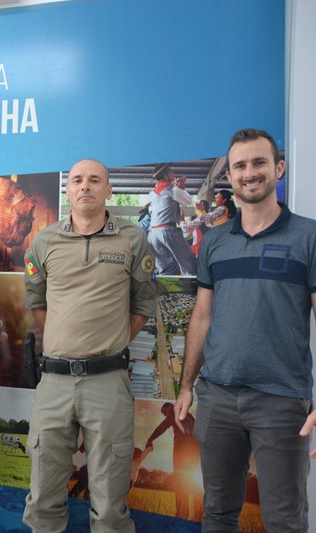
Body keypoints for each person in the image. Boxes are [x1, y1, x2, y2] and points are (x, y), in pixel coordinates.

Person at [175, 128, 315, 532]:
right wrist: (187, 386)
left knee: (285, 521)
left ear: (279, 168)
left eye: (258, 163)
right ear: (230, 177)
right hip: (217, 399)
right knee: (218, 514)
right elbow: (201, 318)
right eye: (240, 166)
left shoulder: (309, 237)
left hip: (283, 403)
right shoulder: (216, 241)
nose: (249, 173)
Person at [22, 159, 156, 533]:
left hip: (107, 383)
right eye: (78, 180)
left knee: (110, 505)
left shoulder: (132, 239)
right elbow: (37, 303)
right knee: (43, 499)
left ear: (109, 190)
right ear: (68, 191)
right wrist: (66, 343)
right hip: (54, 383)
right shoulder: (45, 241)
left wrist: (105, 343)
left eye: (95, 180)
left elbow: (143, 305)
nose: (85, 186)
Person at [144, 403, 201, 521]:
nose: (166, 415)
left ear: (170, 407)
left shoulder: (174, 411)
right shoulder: (189, 415)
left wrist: (150, 439)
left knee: (181, 483)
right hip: (194, 451)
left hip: (182, 449)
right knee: (194, 484)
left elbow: (163, 426)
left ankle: (181, 516)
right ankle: (198, 516)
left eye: (165, 412)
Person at [148, 164, 197, 275]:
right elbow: (188, 201)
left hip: (153, 233)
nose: (173, 174)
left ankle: (165, 291)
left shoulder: (152, 193)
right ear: (166, 175)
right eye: (171, 172)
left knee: (165, 267)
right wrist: (181, 186)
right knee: (188, 263)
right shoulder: (172, 190)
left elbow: (151, 211)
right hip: (167, 231)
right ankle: (193, 290)